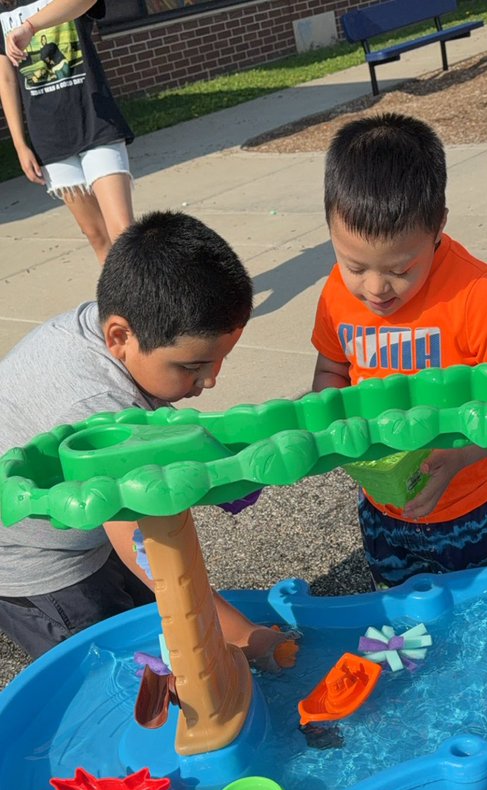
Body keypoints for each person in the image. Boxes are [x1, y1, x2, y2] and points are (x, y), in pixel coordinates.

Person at [0, 209, 289, 670]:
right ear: (120, 336)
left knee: (164, 627)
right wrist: (243, 635)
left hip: (81, 526)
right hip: (39, 559)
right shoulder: (93, 404)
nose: (210, 380)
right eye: (192, 367)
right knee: (119, 668)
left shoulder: (117, 327)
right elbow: (145, 548)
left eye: (218, 361)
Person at [311, 113, 487, 588]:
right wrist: (331, 420)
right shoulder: (337, 294)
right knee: (399, 609)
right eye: (354, 265)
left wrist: (460, 456)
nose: (375, 289)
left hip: (474, 506)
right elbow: (332, 368)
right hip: (381, 507)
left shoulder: (480, 298)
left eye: (400, 269)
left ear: (438, 225)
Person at [0, 0, 134, 264]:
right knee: (96, 235)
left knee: (123, 233)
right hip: (49, 136)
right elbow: (5, 79)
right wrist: (19, 144)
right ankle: (116, 292)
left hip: (95, 121)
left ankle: (144, 291)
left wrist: (30, 27)